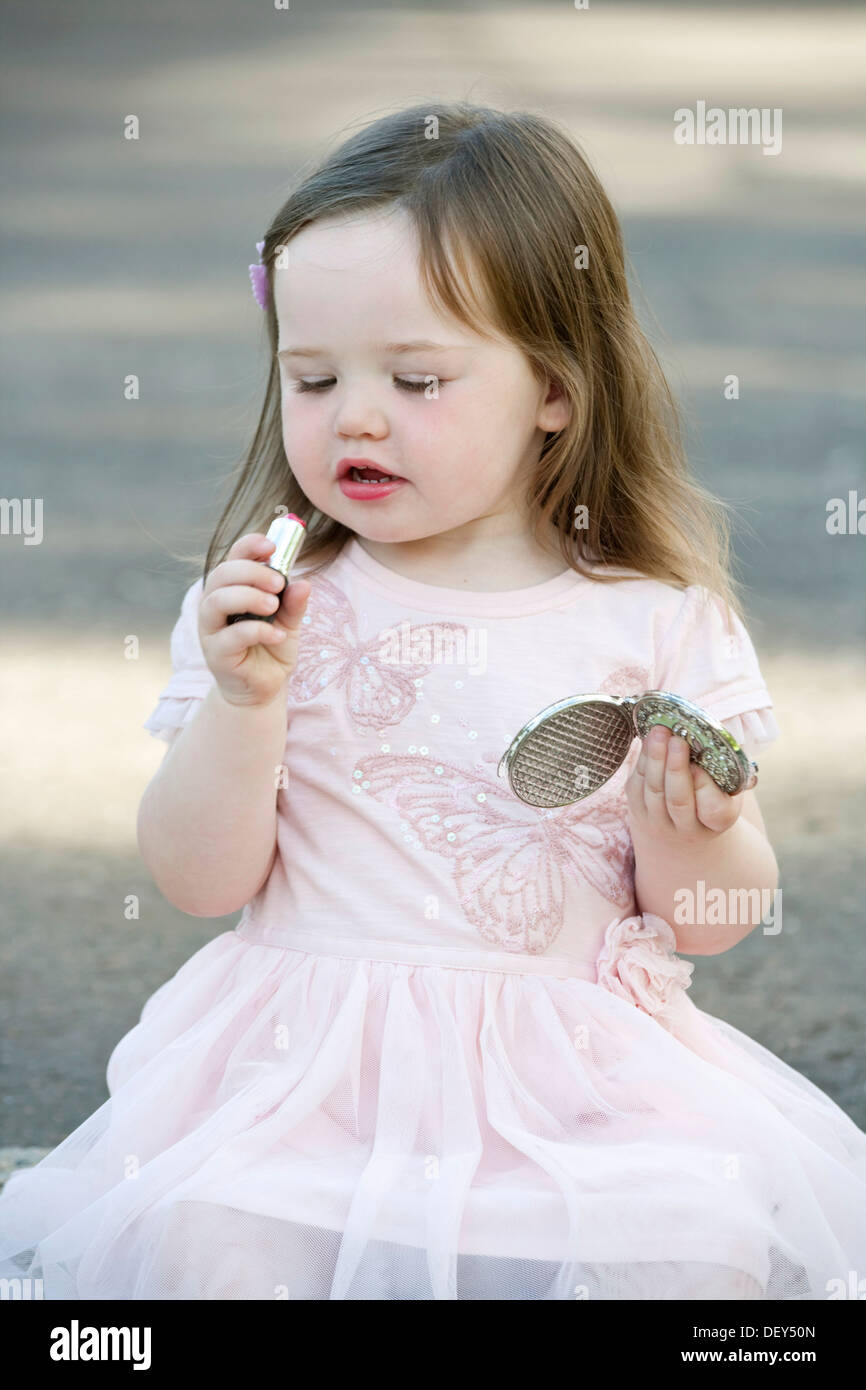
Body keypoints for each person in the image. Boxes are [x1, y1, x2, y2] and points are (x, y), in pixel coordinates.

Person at [1, 101, 864, 1301]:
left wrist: (688, 833)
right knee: (215, 1246)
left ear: (554, 391)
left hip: (575, 1097)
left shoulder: (655, 619)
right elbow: (199, 881)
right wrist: (241, 713)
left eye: (415, 378)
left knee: (687, 1249)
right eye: (311, 376)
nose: (354, 413)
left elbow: (716, 918)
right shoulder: (274, 607)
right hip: (303, 1090)